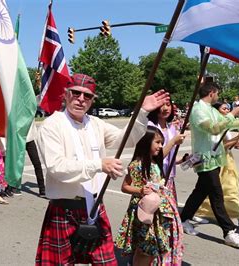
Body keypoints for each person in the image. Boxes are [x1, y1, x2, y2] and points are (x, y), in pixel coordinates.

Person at [35, 73, 170, 265]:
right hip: (64, 209)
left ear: (92, 100)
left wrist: (141, 112)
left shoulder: (95, 124)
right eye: (76, 93)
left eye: (87, 96)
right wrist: (99, 164)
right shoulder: (52, 125)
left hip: (95, 208)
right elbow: (57, 167)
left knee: (106, 262)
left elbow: (126, 140)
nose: (81, 99)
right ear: (66, 94)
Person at [180, 81, 239, 248]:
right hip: (205, 159)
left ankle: (183, 220)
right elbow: (213, 128)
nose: (218, 96)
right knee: (217, 195)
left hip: (214, 158)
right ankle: (229, 232)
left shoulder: (210, 109)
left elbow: (226, 124)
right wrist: (232, 114)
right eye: (217, 93)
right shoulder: (198, 109)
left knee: (200, 192)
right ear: (211, 93)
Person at [115, 126, 183, 265]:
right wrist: (140, 190)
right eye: (157, 142)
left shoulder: (155, 162)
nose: (160, 146)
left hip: (158, 212)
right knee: (145, 247)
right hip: (145, 212)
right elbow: (125, 187)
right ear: (145, 143)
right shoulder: (137, 164)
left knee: (154, 247)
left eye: (161, 143)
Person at [195, 102, 239, 228]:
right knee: (230, 190)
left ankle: (198, 211)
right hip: (219, 161)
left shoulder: (224, 126)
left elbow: (229, 145)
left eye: (228, 109)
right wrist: (237, 139)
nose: (227, 111)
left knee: (214, 190)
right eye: (224, 109)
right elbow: (220, 147)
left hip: (228, 159)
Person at [147, 94, 186, 200]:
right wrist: (173, 142)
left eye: (168, 105)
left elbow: (170, 158)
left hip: (169, 178)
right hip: (154, 178)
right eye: (161, 105)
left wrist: (184, 159)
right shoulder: (150, 127)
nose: (165, 108)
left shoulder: (171, 128)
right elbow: (156, 157)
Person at [26, 120, 46, 197]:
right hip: (18, 140)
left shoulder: (30, 112)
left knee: (37, 164)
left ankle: (42, 189)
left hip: (30, 140)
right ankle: (11, 187)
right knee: (15, 165)